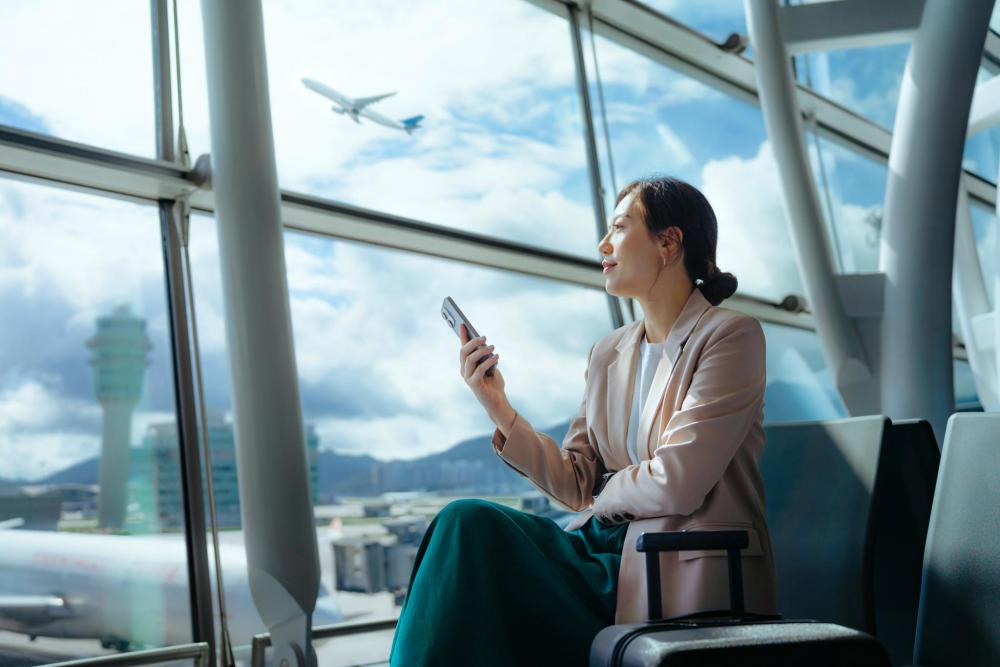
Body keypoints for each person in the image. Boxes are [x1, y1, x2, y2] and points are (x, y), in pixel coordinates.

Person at [389, 176, 777, 666]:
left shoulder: (730, 336)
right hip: (602, 552)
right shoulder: (608, 353)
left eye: (619, 226)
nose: (603, 244)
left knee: (473, 542)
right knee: (466, 526)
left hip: (672, 563)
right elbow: (578, 482)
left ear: (668, 242)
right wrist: (498, 407)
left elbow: (678, 482)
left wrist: (604, 497)